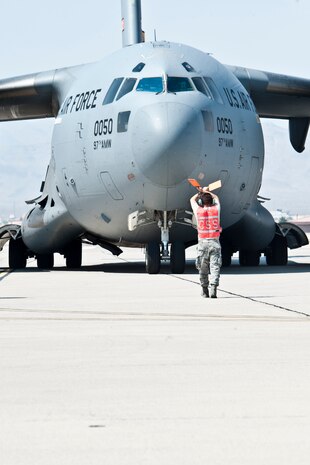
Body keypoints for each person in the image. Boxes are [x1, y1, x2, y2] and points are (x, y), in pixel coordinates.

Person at [190, 186, 222, 298]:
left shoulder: (198, 211)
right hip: (215, 242)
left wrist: (200, 192)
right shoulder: (216, 210)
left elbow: (191, 200)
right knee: (215, 267)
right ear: (212, 201)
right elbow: (216, 198)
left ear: (200, 202)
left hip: (202, 243)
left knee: (202, 269)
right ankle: (213, 288)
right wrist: (208, 191)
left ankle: (204, 290)